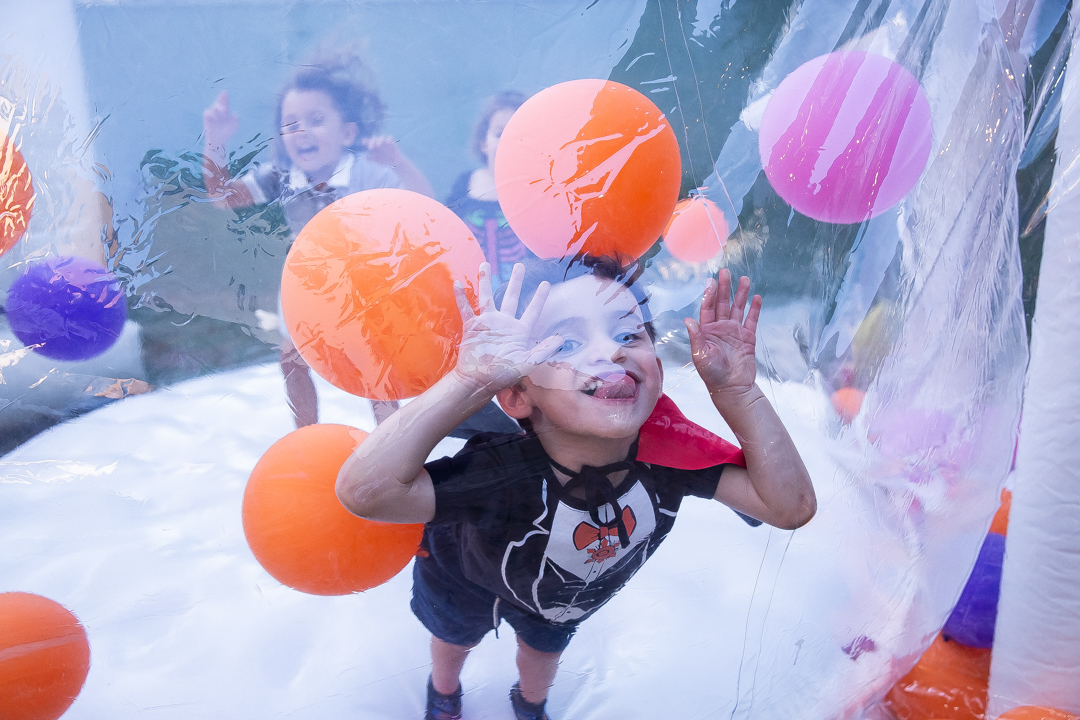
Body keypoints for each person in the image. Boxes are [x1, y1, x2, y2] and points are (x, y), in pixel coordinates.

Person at [335, 257, 816, 720]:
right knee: (452, 638)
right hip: (461, 577)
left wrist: (737, 392)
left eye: (629, 332)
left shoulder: (670, 459)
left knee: (542, 657)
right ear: (518, 394)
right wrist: (471, 380)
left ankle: (530, 704)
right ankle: (444, 691)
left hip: (559, 603)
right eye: (564, 345)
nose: (612, 352)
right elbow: (365, 493)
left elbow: (790, 507)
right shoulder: (497, 474)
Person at [201, 47, 432, 428]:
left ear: (348, 132)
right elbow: (223, 198)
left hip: (361, 283)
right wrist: (216, 140)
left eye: (316, 120)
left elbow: (425, 205)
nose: (301, 131)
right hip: (306, 280)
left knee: (375, 362)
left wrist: (399, 164)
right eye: (291, 123)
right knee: (292, 360)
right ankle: (306, 437)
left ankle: (391, 439)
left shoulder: (366, 173)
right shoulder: (280, 175)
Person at [445, 91, 533, 288]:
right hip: (471, 287)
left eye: (518, 134)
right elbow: (442, 230)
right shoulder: (465, 184)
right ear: (483, 143)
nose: (508, 140)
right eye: (500, 133)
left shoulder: (536, 190)